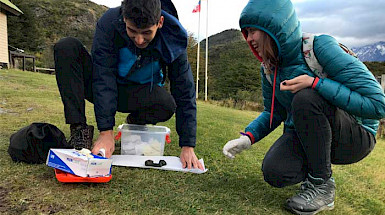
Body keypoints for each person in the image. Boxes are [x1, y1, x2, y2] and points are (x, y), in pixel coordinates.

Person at [222, 0, 385, 214]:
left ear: (273, 27)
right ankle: (316, 173)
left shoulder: (320, 47)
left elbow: (378, 105)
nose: (249, 38)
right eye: (247, 32)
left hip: (355, 136)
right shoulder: (269, 68)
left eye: (253, 31)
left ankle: (322, 185)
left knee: (305, 97)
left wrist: (315, 83)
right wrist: (248, 137)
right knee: (275, 172)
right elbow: (273, 111)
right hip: (310, 134)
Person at [54, 0, 203, 170]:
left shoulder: (174, 37)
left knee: (167, 103)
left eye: (147, 33)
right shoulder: (108, 23)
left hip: (138, 94)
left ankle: (135, 122)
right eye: (133, 31)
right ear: (124, 18)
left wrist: (188, 146)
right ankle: (79, 131)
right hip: (102, 86)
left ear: (160, 22)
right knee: (66, 47)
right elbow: (103, 76)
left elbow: (184, 91)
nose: (139, 40)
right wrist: (106, 132)